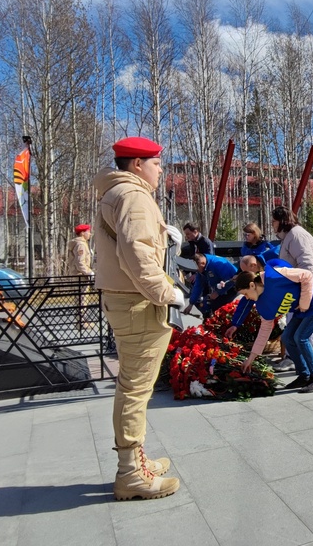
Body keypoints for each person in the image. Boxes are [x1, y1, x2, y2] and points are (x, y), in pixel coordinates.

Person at [94, 136, 183, 500]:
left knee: (133, 386)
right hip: (139, 304)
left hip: (128, 301)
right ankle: (131, 473)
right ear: (137, 164)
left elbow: (134, 243)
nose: (160, 169)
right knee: (135, 388)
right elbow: (136, 252)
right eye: (156, 163)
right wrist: (168, 293)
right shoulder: (134, 196)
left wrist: (163, 234)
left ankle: (135, 460)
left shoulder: (118, 193)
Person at [235, 265, 313, 393]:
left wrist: (304, 303)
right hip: (302, 309)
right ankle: (304, 375)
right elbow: (264, 331)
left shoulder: (274, 276)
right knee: (287, 337)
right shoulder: (263, 305)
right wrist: (250, 359)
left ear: (252, 285)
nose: (246, 298)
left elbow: (306, 275)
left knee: (300, 338)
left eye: (245, 294)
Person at [271, 206, 313, 356]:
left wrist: (304, 291)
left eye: (274, 221)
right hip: (304, 286)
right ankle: (295, 358)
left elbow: (307, 264)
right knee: (296, 325)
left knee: (309, 327)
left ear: (282, 221)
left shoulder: (296, 235)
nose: (272, 224)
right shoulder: (288, 236)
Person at [183, 252, 238, 317]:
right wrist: (191, 304)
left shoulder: (218, 264)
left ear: (202, 264)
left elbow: (231, 279)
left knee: (219, 309)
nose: (196, 271)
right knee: (205, 304)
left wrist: (218, 292)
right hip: (218, 287)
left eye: (197, 269)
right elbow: (198, 286)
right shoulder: (201, 268)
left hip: (232, 287)